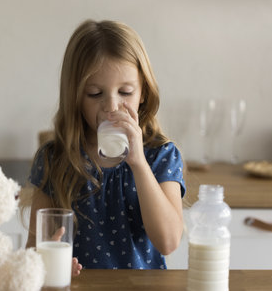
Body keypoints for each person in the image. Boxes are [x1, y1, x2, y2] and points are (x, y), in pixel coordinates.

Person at [22, 19, 186, 274]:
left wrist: (139, 163)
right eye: (95, 94)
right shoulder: (55, 159)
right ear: (75, 97)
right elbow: (32, 254)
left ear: (143, 92)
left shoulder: (160, 156)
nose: (111, 106)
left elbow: (168, 242)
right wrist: (47, 263)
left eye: (126, 92)